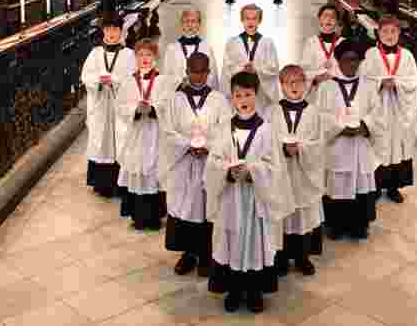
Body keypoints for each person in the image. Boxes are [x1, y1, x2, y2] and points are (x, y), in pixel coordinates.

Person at [205, 71, 293, 314]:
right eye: (238, 95)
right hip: (231, 199)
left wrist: (253, 171)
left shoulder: (266, 130)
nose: (243, 99)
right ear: (231, 98)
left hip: (256, 201)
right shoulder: (224, 128)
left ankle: (254, 291)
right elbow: (213, 162)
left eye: (248, 94)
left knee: (254, 244)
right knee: (231, 242)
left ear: (257, 96)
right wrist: (226, 172)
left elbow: (275, 166)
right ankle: (233, 290)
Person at [160, 52, 231, 276]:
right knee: (186, 207)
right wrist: (187, 145)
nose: (198, 77)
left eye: (203, 72)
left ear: (209, 73)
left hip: (209, 163)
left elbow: (226, 130)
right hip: (183, 164)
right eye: (194, 72)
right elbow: (167, 131)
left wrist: (208, 146)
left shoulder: (218, 100)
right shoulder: (175, 99)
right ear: (187, 72)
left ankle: (207, 255)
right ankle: (188, 253)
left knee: (207, 208)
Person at [320, 40, 382, 240]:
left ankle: (359, 225)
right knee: (337, 185)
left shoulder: (368, 86)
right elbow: (320, 116)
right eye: (346, 60)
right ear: (338, 61)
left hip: (360, 145)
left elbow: (377, 113)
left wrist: (365, 125)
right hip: (338, 146)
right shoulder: (327, 87)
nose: (351, 64)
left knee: (359, 186)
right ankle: (336, 226)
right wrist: (339, 128)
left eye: (356, 59)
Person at [270, 65, 324, 276]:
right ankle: (281, 258)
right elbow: (266, 140)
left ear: (306, 84)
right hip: (281, 173)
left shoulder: (313, 112)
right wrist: (282, 148)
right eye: (289, 82)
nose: (294, 86)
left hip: (303, 174)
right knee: (283, 214)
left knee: (301, 216)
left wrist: (301, 148)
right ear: (281, 86)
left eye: (299, 81)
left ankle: (302, 256)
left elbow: (318, 143)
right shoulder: (273, 111)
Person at [360, 16, 417, 203]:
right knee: (378, 145)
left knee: (397, 147)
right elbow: (364, 79)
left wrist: (398, 84)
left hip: (399, 110)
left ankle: (393, 188)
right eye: (385, 31)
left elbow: (413, 82)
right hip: (379, 109)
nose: (389, 35)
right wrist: (379, 82)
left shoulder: (407, 56)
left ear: (399, 33)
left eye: (393, 31)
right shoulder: (371, 54)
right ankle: (376, 186)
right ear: (377, 33)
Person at [116, 39, 172, 230]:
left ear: (155, 57)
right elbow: (121, 106)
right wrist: (136, 109)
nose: (145, 59)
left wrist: (154, 108)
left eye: (149, 55)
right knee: (137, 169)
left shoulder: (163, 81)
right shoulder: (129, 81)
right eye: (141, 55)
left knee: (154, 171)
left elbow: (168, 104)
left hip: (155, 133)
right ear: (136, 58)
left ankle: (154, 216)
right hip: (137, 133)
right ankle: (138, 216)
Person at [81, 13, 137, 197]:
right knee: (102, 140)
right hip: (101, 105)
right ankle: (103, 184)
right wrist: (98, 81)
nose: (111, 33)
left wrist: (115, 81)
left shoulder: (129, 55)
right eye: (108, 29)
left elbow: (133, 79)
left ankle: (121, 184)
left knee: (121, 140)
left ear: (121, 31)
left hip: (119, 105)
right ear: (103, 31)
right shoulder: (95, 53)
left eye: (115, 29)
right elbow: (86, 76)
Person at [221, 4, 280, 112]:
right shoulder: (232, 42)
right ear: (242, 20)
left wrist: (257, 69)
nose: (250, 22)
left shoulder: (268, 43)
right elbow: (227, 67)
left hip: (260, 94)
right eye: (247, 18)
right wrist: (242, 69)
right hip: (239, 90)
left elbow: (274, 68)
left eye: (254, 18)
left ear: (259, 20)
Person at [162, 8, 220, 91]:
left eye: (193, 21)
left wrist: (199, 83)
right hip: (179, 92)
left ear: (199, 24)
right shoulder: (172, 48)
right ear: (181, 24)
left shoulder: (206, 47)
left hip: (201, 92)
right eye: (186, 21)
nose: (190, 25)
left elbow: (213, 75)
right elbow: (167, 74)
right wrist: (180, 83)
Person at [299, 4, 345, 103]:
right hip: (317, 89)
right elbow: (304, 70)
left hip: (337, 91)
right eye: (325, 16)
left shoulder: (343, 43)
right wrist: (317, 77)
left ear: (337, 22)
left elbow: (348, 70)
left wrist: (331, 75)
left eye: (332, 17)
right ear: (319, 20)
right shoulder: (311, 42)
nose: (328, 20)